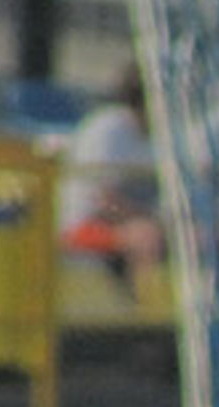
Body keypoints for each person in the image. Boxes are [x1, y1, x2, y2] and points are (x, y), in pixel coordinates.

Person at [57, 60, 164, 293]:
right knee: (145, 236)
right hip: (80, 229)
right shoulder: (107, 130)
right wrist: (148, 219)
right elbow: (103, 201)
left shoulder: (161, 135)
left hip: (128, 225)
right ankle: (144, 309)